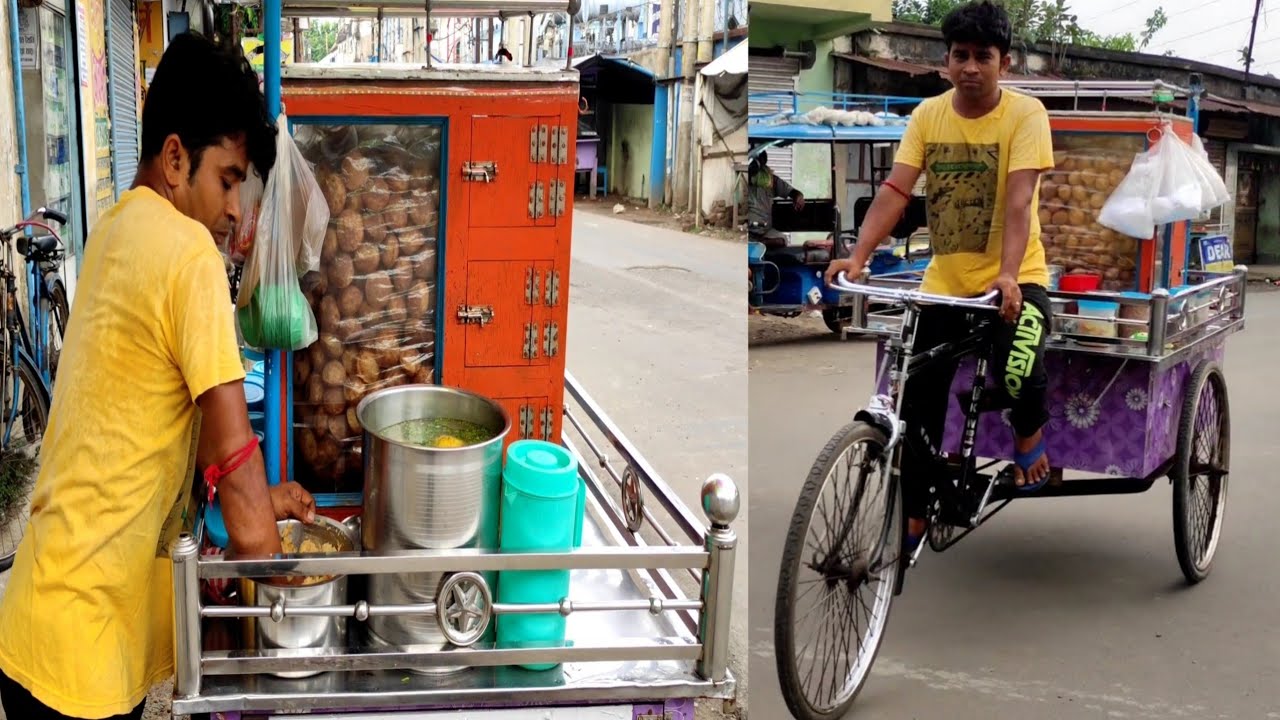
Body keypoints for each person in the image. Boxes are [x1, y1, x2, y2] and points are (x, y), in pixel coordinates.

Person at [0, 32, 317, 720]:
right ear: (176, 158)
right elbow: (234, 466)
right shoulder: (188, 255)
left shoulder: (116, 228)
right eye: (228, 179)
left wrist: (263, 499)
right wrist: (282, 571)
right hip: (80, 660)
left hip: (40, 621)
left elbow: (167, 416)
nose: (236, 209)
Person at [824, 0, 1055, 550]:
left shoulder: (1027, 115)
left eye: (983, 56)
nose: (970, 66)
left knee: (1018, 366)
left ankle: (1029, 436)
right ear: (946, 63)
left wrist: (1007, 276)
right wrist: (858, 257)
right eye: (960, 56)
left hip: (1016, 279)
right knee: (916, 400)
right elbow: (895, 191)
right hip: (945, 288)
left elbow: (1020, 202)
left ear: (1005, 63)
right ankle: (916, 511)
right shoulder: (929, 115)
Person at [748, 148, 805, 247]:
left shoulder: (770, 180)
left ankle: (760, 244)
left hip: (765, 232)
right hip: (747, 230)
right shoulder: (743, 178)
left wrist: (798, 196)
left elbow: (792, 192)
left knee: (782, 240)